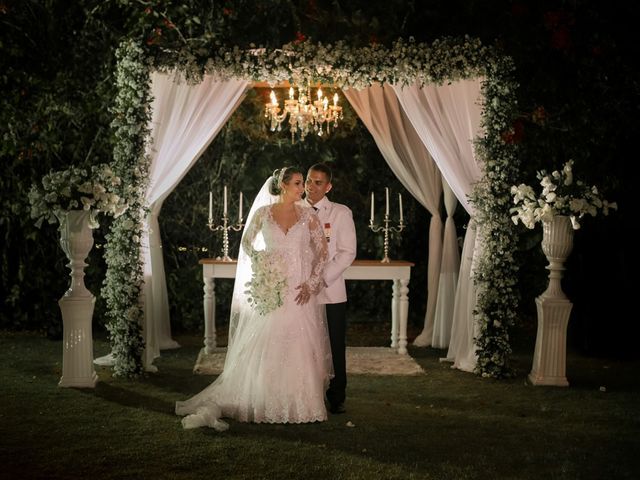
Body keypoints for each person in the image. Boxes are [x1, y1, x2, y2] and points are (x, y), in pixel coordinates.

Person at [176, 167, 332, 430]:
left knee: (298, 345)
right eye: (296, 183)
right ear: (282, 185)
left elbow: (323, 253)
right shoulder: (263, 214)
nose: (301, 188)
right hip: (272, 290)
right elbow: (247, 244)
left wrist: (311, 283)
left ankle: (300, 403)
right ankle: (262, 398)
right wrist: (262, 262)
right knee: (268, 343)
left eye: (301, 184)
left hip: (297, 293)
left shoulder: (308, 216)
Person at [303, 163, 357, 414]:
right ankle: (305, 390)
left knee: (334, 342)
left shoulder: (340, 213)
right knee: (304, 342)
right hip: (300, 290)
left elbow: (347, 253)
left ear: (328, 186)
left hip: (330, 289)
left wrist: (320, 279)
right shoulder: (293, 209)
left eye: (317, 182)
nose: (311, 187)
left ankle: (336, 394)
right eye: (308, 181)